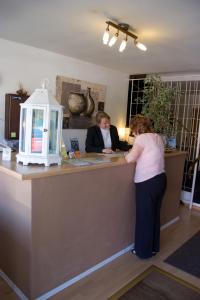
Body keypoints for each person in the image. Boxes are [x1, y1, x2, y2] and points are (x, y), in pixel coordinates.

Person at [125, 115, 167, 259]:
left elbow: (130, 158)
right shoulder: (157, 137)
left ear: (137, 128)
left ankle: (143, 251)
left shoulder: (141, 138)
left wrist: (127, 153)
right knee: (154, 215)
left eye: (133, 130)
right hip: (161, 179)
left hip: (147, 182)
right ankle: (154, 247)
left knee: (144, 217)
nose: (133, 133)